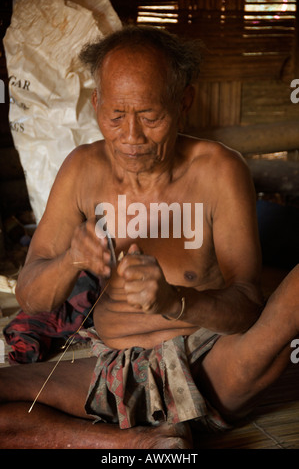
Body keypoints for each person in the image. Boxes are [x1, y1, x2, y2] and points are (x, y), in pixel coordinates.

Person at [0, 25, 298, 449]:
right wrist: (71, 261)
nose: (131, 137)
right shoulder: (82, 170)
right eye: (116, 116)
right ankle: (138, 445)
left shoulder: (218, 170)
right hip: (111, 369)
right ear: (97, 103)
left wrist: (175, 301)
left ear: (184, 103)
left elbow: (249, 307)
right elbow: (31, 297)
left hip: (213, 366)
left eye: (151, 117)